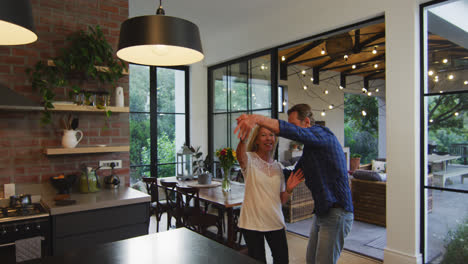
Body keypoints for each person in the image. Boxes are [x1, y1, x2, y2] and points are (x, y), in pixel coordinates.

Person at [234, 104, 354, 264]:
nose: (291, 130)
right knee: (311, 260)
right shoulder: (310, 151)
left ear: (306, 122)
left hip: (337, 212)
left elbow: (292, 133)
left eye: (293, 124)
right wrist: (268, 169)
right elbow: (293, 174)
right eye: (263, 135)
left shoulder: (323, 134)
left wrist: (257, 119)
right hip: (322, 213)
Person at [236, 125, 304, 264]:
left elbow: (281, 200)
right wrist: (242, 140)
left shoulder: (278, 166)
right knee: (258, 260)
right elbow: (240, 157)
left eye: (271, 135)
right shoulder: (250, 159)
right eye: (263, 135)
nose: (269, 138)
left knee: (282, 260)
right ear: (256, 140)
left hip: (275, 221)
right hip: (252, 223)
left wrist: (289, 189)